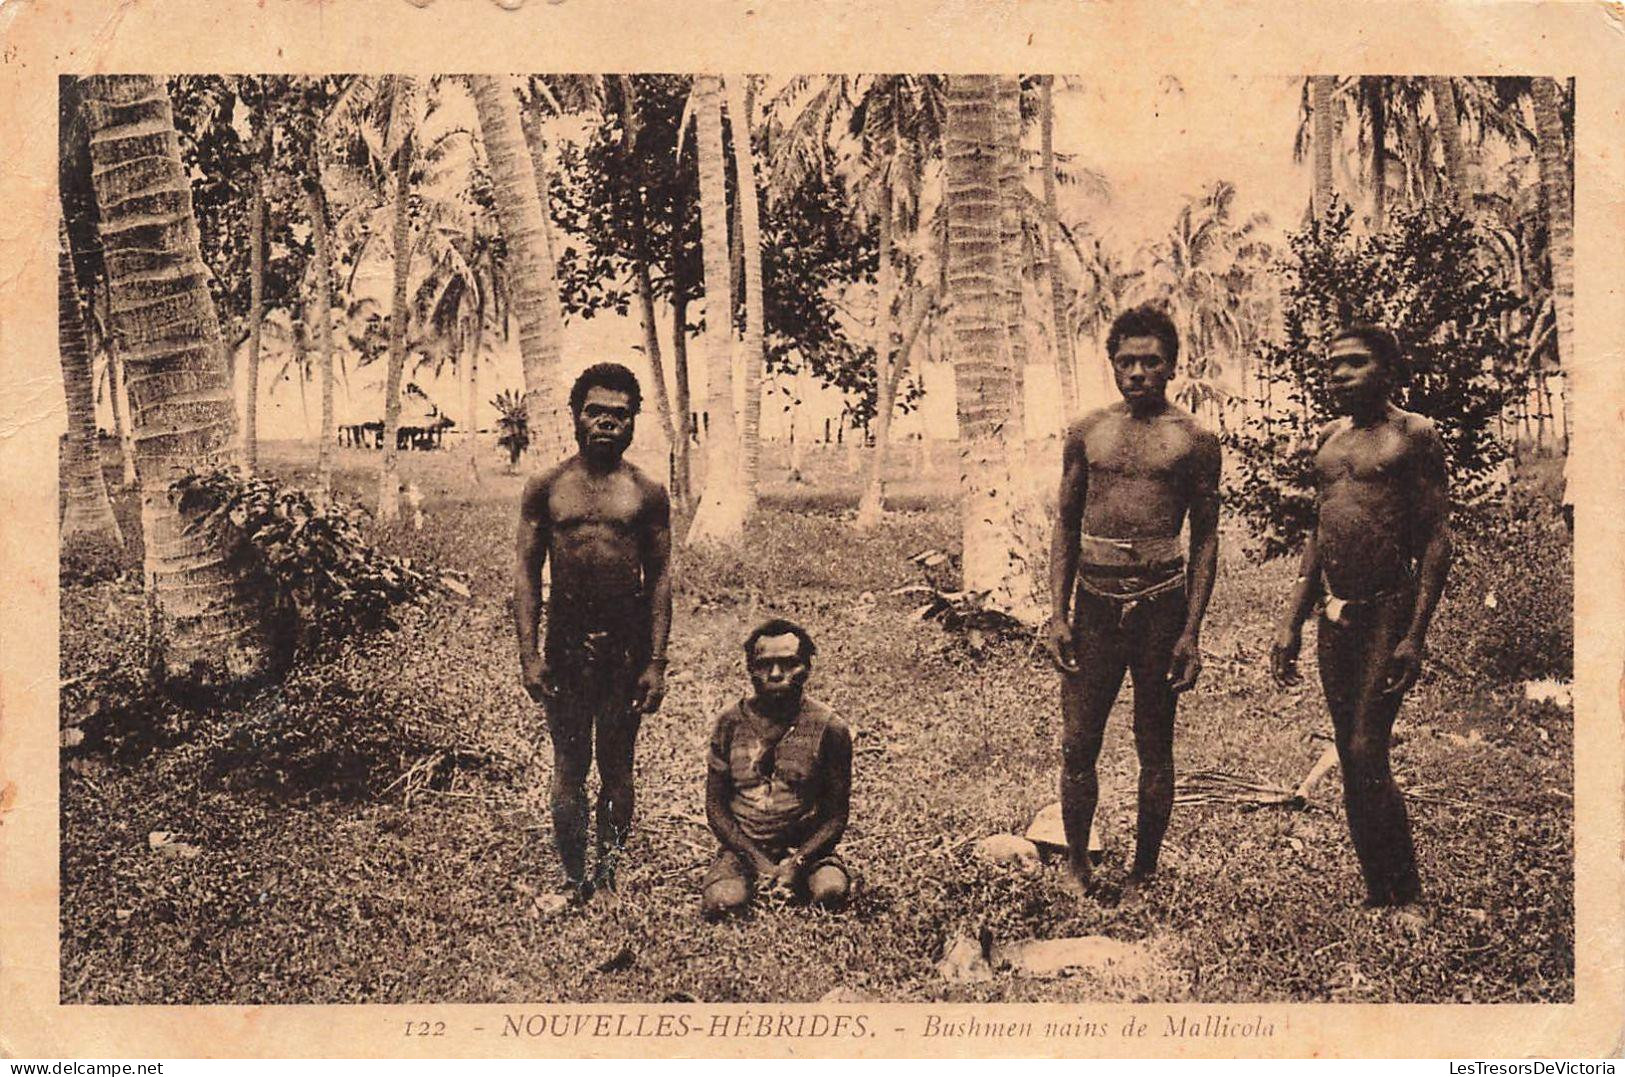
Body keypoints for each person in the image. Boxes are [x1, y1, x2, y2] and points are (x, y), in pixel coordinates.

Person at [1271, 323, 1452, 915]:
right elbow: (1319, 537)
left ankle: (1411, 896)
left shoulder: (1413, 435)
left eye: (1355, 363)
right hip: (1335, 615)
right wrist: (1291, 623)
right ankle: (1380, 892)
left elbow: (1434, 539)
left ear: (1388, 370)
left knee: (1367, 745)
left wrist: (1414, 637)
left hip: (1387, 611)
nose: (1340, 375)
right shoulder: (1328, 441)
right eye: (1333, 366)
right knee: (1351, 756)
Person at [1046, 304, 1221, 903]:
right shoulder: (1087, 431)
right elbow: (1065, 525)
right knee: (1078, 742)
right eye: (1127, 362)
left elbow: (1205, 539)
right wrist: (1058, 614)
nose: (1139, 373)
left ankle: (1144, 871)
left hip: (1160, 603)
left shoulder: (1194, 439)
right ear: (1112, 365)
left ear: (1172, 366)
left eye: (1151, 362)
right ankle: (1076, 864)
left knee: (1155, 741)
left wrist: (1191, 631)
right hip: (1094, 603)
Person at [514, 363, 673, 910]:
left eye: (619, 415)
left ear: (633, 423)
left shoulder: (647, 492)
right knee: (569, 764)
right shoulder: (548, 487)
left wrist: (656, 662)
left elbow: (660, 581)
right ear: (576, 417)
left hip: (625, 644)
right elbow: (526, 573)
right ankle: (572, 872)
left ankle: (605, 876)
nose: (606, 423)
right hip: (565, 641)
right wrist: (529, 654)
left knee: (617, 763)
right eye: (595, 412)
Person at [701, 619, 854, 919]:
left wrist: (797, 862)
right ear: (749, 668)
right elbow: (715, 806)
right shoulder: (729, 722)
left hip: (806, 846)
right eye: (763, 665)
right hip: (745, 845)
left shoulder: (830, 728)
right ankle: (753, 873)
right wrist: (757, 861)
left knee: (831, 892)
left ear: (807, 668)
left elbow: (836, 815)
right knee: (723, 903)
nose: (775, 675)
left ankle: (801, 876)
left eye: (788, 664)